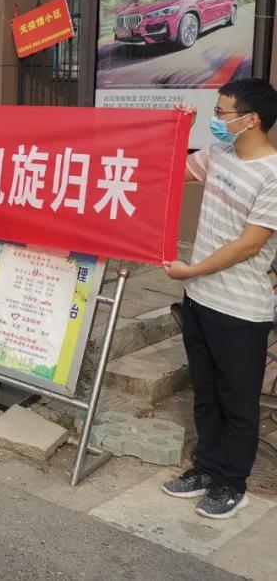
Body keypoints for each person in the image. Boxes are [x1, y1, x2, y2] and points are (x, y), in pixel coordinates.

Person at [160, 79, 277, 519]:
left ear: (251, 120)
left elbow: (249, 244)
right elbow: (172, 171)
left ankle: (232, 483)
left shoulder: (272, 175)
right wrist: (175, 127)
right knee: (205, 393)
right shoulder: (218, 154)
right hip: (200, 300)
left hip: (241, 310)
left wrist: (192, 269)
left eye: (222, 112)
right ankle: (206, 469)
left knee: (237, 400)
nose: (216, 119)